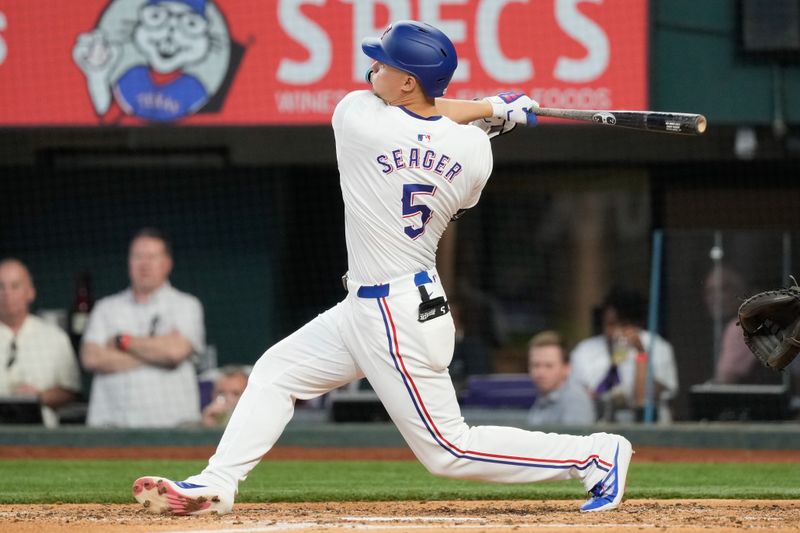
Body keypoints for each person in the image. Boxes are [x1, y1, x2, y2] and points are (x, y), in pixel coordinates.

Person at [132, 20, 631, 515]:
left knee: (448, 450)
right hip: (381, 304)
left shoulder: (357, 118)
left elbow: (425, 119)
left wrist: (488, 108)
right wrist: (494, 116)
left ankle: (595, 455)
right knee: (276, 373)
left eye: (385, 63)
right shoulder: (477, 153)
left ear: (409, 81)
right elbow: (437, 124)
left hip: (395, 313)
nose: (373, 66)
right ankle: (217, 482)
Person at [81, 227, 205, 427]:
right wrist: (157, 352)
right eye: (138, 257)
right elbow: (91, 358)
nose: (144, 265)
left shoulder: (186, 305)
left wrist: (122, 341)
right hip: (110, 427)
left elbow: (174, 352)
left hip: (172, 428)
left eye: (152, 257)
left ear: (167, 263)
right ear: (129, 262)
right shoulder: (106, 308)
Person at [571, 286, 678, 424]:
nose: (616, 331)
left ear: (635, 323)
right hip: (601, 425)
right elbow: (577, 395)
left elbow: (646, 398)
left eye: (622, 325)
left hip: (646, 425)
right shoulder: (585, 350)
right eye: (610, 324)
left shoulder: (657, 346)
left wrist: (640, 353)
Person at [0, 259, 81, 427]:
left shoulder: (54, 337)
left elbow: (71, 391)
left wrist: (38, 397)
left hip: (40, 438)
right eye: (1, 287)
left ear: (30, 292)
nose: (7, 294)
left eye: (15, 286)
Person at [527, 331, 595, 426]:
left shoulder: (575, 401)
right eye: (535, 365)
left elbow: (573, 439)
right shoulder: (545, 396)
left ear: (567, 368)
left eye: (548, 366)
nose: (540, 373)